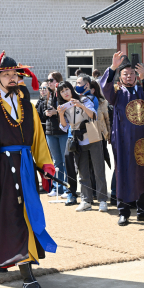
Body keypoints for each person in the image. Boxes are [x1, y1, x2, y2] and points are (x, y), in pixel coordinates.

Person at [0, 52, 55, 288]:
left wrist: (46, 166)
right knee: (10, 214)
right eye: (6, 74)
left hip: (26, 167)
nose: (12, 78)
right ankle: (26, 273)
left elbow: (38, 140)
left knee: (25, 213)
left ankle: (0, 255)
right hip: (4, 169)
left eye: (14, 74)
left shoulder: (28, 107)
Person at [100, 52, 144, 226]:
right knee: (123, 174)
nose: (129, 77)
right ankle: (123, 212)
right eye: (125, 74)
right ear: (120, 77)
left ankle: (143, 211)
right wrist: (112, 68)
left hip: (143, 140)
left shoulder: (142, 90)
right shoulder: (117, 94)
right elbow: (105, 88)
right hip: (123, 141)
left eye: (132, 74)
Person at [57, 81, 108, 212]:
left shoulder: (84, 99)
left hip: (92, 136)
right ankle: (86, 200)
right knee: (82, 171)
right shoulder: (63, 106)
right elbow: (64, 127)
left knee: (98, 170)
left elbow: (93, 115)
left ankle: (102, 200)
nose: (65, 93)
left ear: (71, 89)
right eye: (62, 91)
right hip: (78, 140)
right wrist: (61, 114)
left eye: (67, 89)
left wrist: (81, 105)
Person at [41, 71, 69, 198]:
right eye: (47, 81)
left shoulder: (62, 95)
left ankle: (66, 187)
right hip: (50, 131)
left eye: (51, 80)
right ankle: (57, 187)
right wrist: (47, 112)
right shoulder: (48, 95)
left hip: (62, 132)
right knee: (56, 162)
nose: (48, 83)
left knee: (65, 161)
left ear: (57, 81)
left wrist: (55, 113)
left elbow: (68, 112)